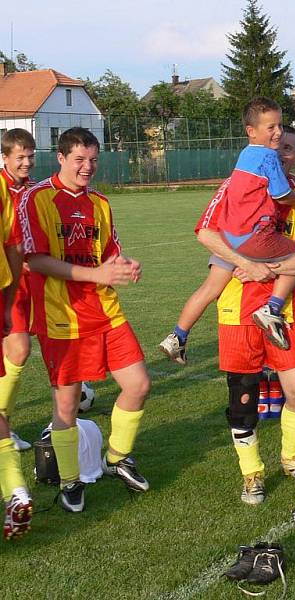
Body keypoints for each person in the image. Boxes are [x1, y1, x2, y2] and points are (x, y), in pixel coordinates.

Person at [18, 128, 150, 513]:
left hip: (105, 310)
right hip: (62, 318)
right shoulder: (37, 198)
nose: (87, 167)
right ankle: (71, 482)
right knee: (67, 404)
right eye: (79, 159)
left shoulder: (101, 203)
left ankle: (117, 457)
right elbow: (35, 259)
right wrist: (97, 276)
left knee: (138, 384)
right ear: (60, 158)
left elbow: (109, 252)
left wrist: (124, 266)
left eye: (93, 159)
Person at [195, 129, 295, 504]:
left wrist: (267, 270)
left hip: (281, 311)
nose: (280, 155)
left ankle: (292, 457)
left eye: (288, 150)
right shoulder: (237, 185)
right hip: (237, 311)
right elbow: (206, 233)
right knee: (243, 398)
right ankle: (252, 474)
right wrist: (247, 264)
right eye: (276, 147)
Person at [160, 98, 295, 360]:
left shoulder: (245, 156)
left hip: (229, 237)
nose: (277, 133)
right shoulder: (268, 156)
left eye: (279, 126)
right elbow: (281, 195)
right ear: (251, 131)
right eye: (272, 128)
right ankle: (272, 308)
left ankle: (177, 336)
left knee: (209, 288)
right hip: (253, 238)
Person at [0, 130, 29, 538]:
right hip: (9, 287)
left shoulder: (23, 192)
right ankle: (16, 491)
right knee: (19, 349)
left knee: (19, 350)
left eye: (30, 156)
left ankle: (16, 492)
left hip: (13, 285)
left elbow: (15, 249)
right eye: (19, 157)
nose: (26, 163)